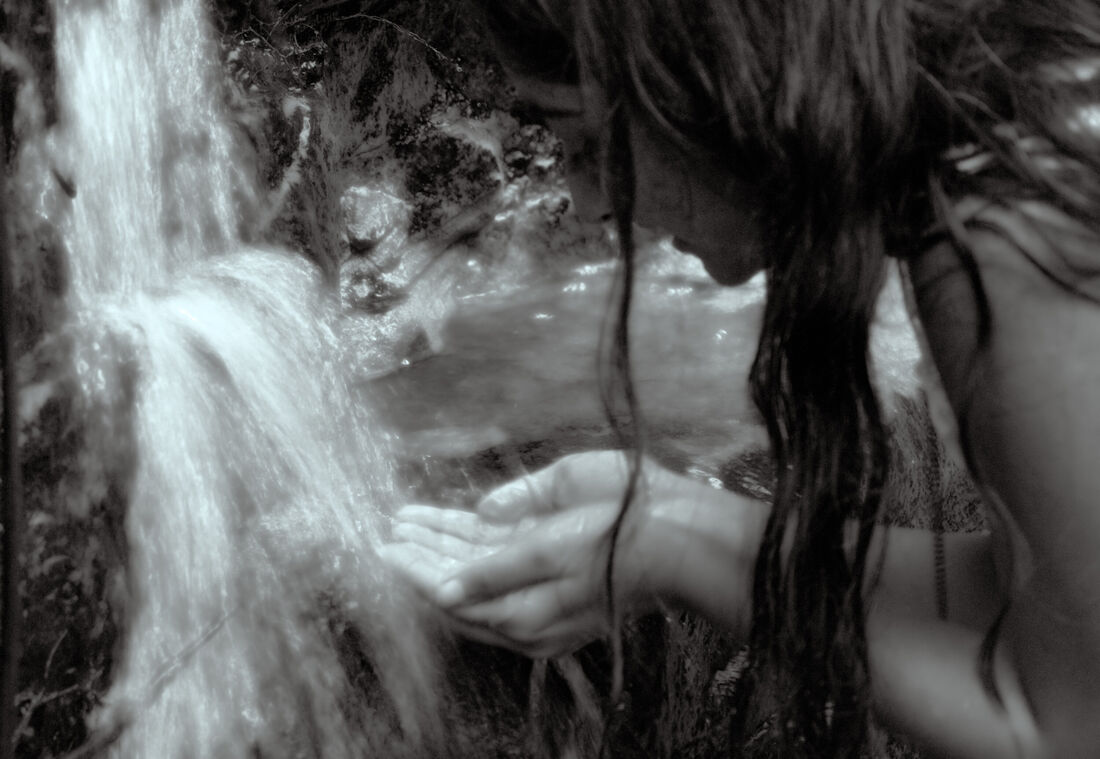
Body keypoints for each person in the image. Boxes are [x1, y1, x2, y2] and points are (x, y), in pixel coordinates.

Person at [379, 1, 1100, 756]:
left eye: (591, 144)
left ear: (713, 83)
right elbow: (1036, 611)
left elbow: (1067, 727)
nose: (590, 204)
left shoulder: (1005, 237)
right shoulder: (1006, 137)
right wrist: (675, 517)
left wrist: (675, 553)